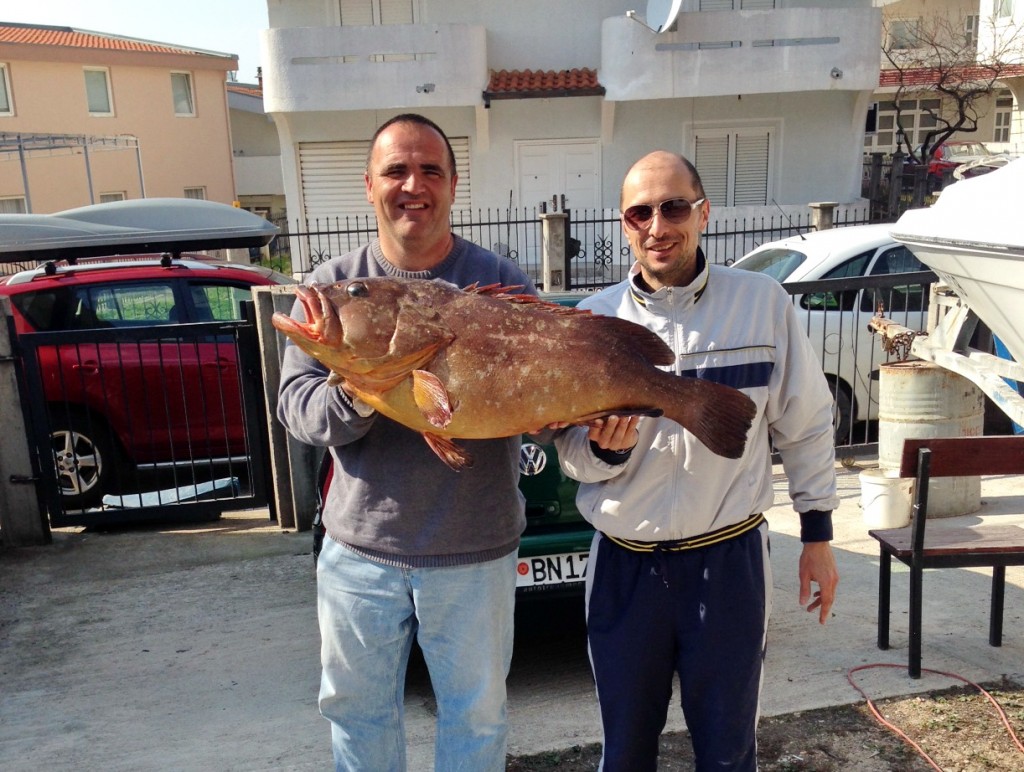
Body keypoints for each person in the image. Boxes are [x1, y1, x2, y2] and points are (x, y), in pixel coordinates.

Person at [553, 151, 841, 772]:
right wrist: (606, 449)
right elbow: (573, 458)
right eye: (640, 212)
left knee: (728, 751)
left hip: (729, 563)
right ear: (624, 225)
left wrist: (817, 532)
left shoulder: (761, 305)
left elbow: (807, 422)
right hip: (624, 567)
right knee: (625, 753)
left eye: (674, 207)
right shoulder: (593, 322)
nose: (658, 225)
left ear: (703, 212)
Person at [276, 113, 536, 771]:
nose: (411, 184)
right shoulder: (333, 288)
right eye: (396, 170)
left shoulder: (498, 283)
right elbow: (297, 408)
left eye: (429, 170)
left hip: (475, 548)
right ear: (369, 185)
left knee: (476, 721)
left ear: (451, 185)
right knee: (357, 719)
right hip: (360, 552)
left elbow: (542, 390)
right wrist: (365, 388)